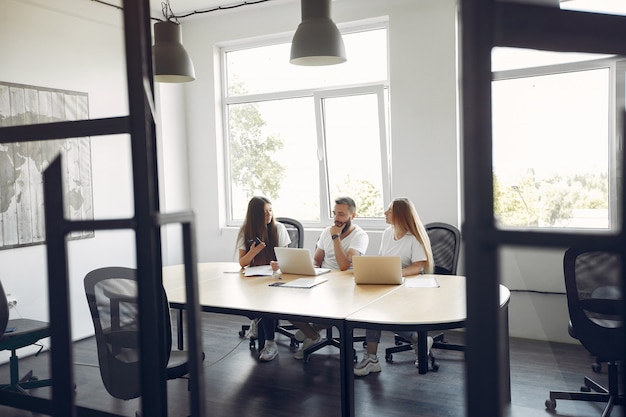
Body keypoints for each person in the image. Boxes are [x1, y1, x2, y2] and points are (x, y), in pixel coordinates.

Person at [353, 197, 435, 376]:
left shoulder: (414, 237)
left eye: (389, 210)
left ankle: (372, 357)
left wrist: (397, 274)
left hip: (411, 285)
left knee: (377, 311)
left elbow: (418, 267)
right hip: (391, 282)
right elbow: (384, 259)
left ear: (400, 214)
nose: (384, 213)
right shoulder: (387, 234)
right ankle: (414, 340)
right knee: (372, 308)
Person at [291, 196, 369, 359]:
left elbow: (343, 266)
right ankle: (312, 334)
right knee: (288, 302)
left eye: (341, 214)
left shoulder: (360, 236)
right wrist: (310, 269)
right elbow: (317, 260)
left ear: (352, 216)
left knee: (335, 309)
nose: (336, 219)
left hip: (345, 285)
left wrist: (336, 238)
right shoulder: (327, 231)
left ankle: (309, 332)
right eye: (335, 214)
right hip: (324, 280)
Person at [236, 196, 291, 361]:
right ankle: (256, 320)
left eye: (270, 210)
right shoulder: (246, 230)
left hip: (275, 276)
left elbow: (286, 258)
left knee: (266, 301)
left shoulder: (279, 228)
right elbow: (242, 263)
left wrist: (278, 264)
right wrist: (253, 251)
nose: (269, 215)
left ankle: (270, 343)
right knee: (245, 295)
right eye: (264, 212)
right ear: (254, 215)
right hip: (254, 276)